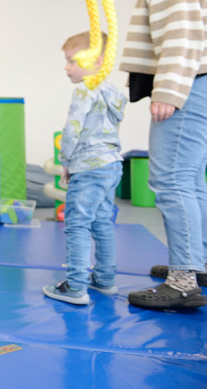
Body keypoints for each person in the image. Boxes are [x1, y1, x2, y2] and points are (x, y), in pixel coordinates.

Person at [111, 0, 207, 309]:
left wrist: (168, 88)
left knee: (170, 179)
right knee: (191, 180)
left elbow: (181, 29)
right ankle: (195, 265)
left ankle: (183, 281)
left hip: (188, 83)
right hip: (197, 82)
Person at [43, 31, 126, 305]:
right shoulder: (111, 91)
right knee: (102, 223)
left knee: (76, 224)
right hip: (112, 165)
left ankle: (76, 286)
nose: (67, 67)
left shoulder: (84, 89)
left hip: (88, 167)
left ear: (97, 61)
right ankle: (104, 280)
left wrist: (66, 161)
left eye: (73, 61)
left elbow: (72, 130)